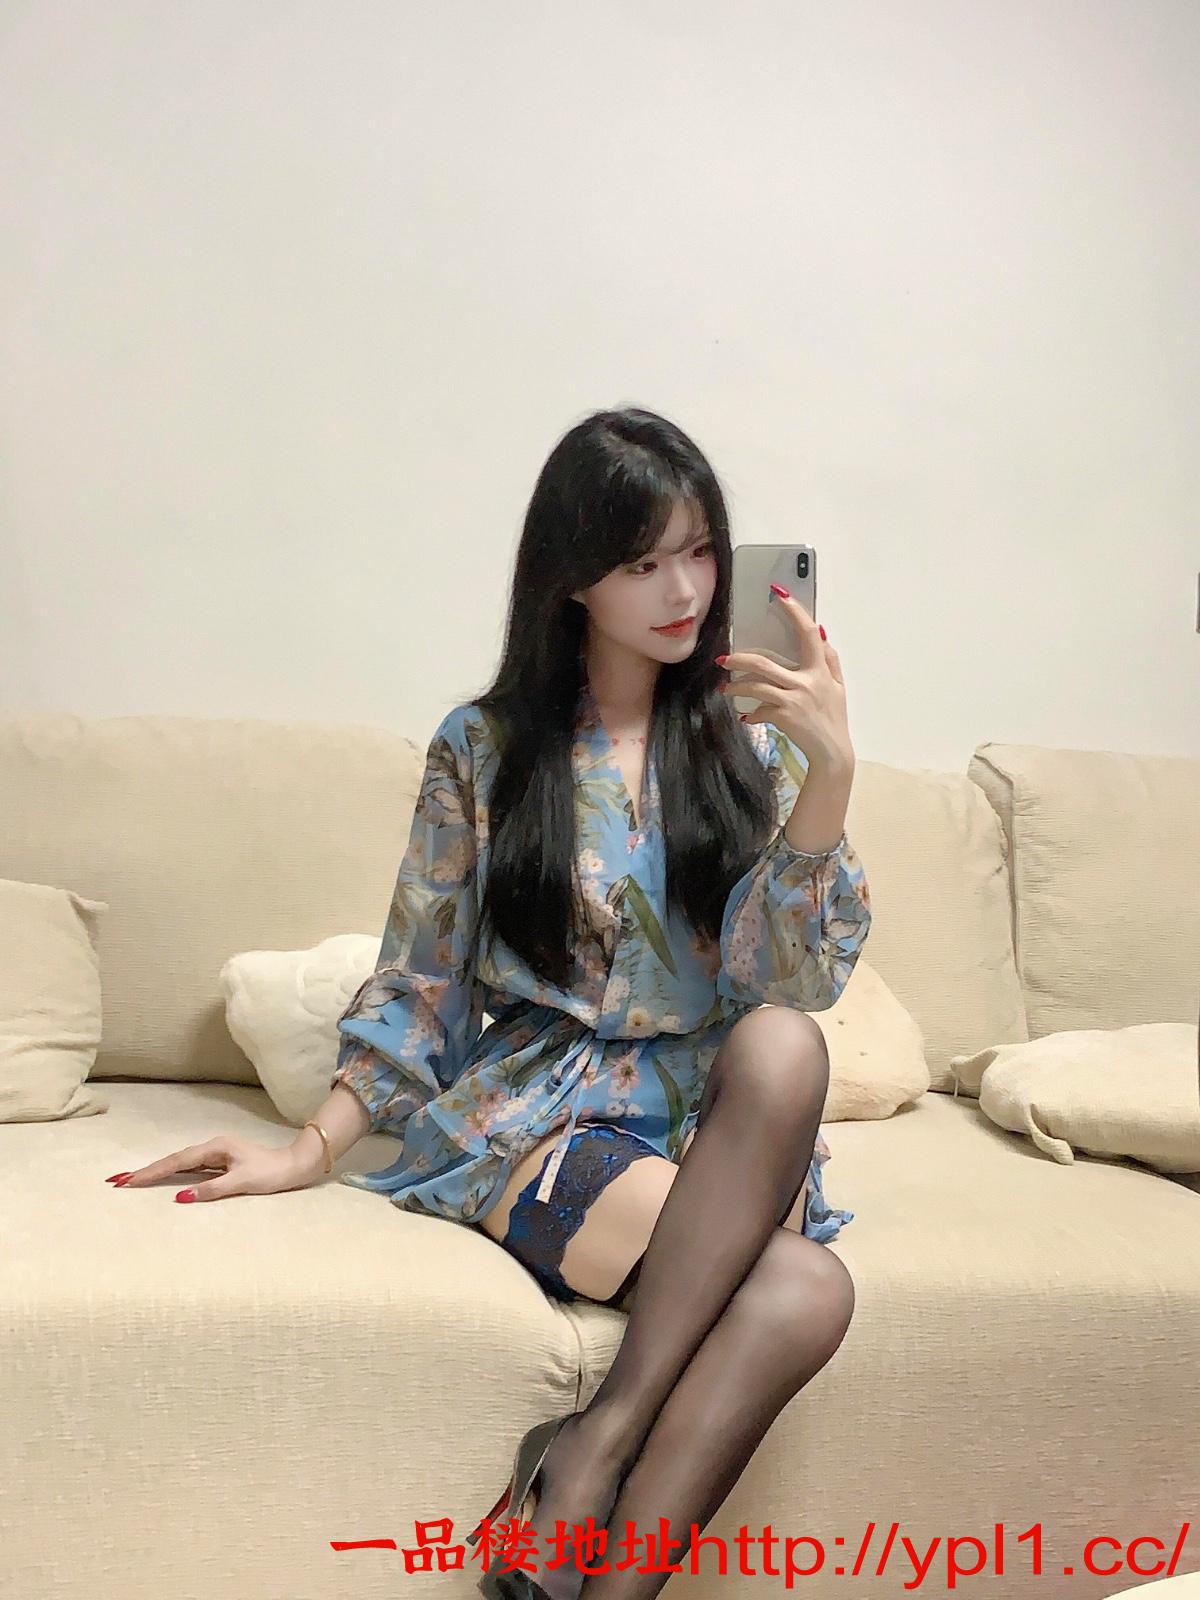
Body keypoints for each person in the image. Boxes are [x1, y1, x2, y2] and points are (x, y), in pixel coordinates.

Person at [107, 407, 872, 1600]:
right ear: (573, 578)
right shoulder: (488, 747)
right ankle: (594, 1466)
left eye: (700, 551)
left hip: (709, 1133)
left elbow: (794, 980)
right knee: (804, 1289)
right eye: (642, 561)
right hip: (544, 1118)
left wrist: (829, 777)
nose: (684, 589)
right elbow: (421, 977)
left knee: (783, 1044)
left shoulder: (750, 740)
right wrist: (311, 1146)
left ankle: (588, 1468)